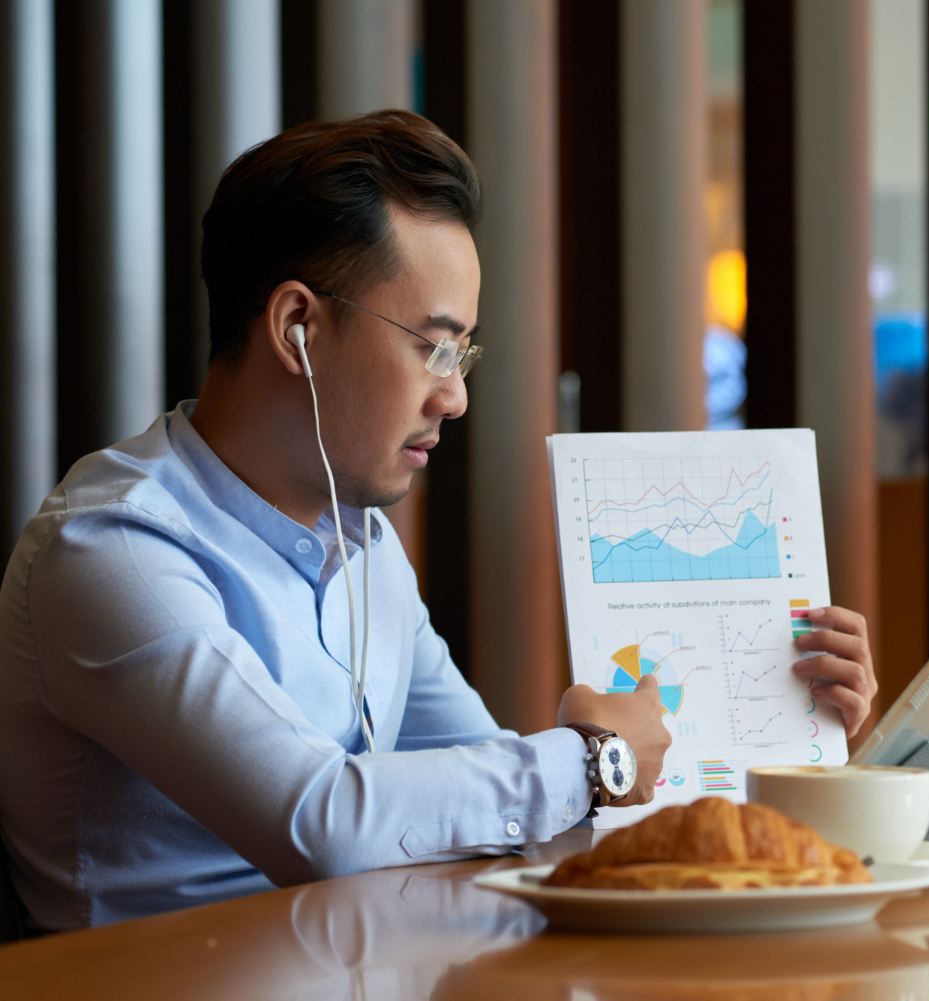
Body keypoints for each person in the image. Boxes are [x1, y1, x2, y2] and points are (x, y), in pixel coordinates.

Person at [0, 111, 877, 932]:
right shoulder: (111, 548)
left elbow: (499, 808)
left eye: (464, 353)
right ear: (297, 326)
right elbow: (322, 821)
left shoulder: (365, 548)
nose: (455, 397)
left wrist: (793, 729)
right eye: (435, 346)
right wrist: (586, 761)